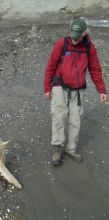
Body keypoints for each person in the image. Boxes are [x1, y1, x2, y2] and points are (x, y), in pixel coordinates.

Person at [44, 19, 107, 166]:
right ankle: (57, 147)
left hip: (79, 89)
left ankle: (71, 149)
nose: (74, 38)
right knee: (58, 117)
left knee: (75, 120)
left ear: (85, 33)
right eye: (72, 34)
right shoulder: (62, 43)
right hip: (59, 85)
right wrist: (47, 87)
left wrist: (101, 89)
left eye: (77, 35)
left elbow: (95, 70)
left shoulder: (89, 48)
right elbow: (51, 66)